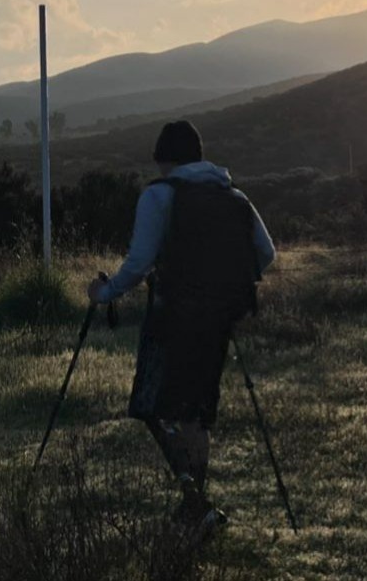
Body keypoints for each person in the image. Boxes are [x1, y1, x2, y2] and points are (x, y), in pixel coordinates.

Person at [87, 120, 275, 531]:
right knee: (197, 412)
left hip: (171, 317)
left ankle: (196, 503)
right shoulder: (234, 195)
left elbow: (139, 263)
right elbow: (266, 253)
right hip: (219, 318)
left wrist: (106, 292)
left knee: (154, 407)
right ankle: (196, 507)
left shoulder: (159, 195)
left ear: (163, 158)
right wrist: (226, 284)